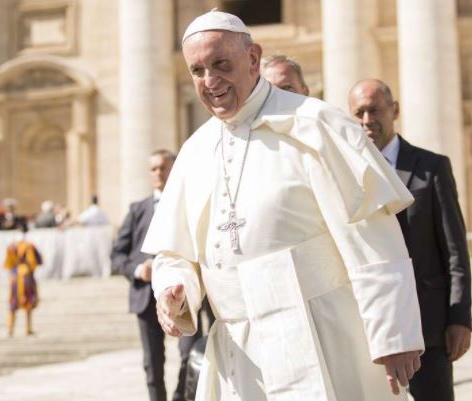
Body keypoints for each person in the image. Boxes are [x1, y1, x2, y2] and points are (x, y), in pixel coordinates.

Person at [142, 10, 424, 401]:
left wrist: (394, 333)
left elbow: (371, 233)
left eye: (221, 64)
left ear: (253, 58)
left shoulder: (318, 124)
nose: (210, 81)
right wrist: (175, 289)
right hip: (240, 352)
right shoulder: (194, 150)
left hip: (324, 332)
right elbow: (175, 252)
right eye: (198, 70)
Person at [349, 78, 471, 401]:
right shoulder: (347, 176)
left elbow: (455, 251)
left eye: (374, 110)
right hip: (371, 333)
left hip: (428, 331)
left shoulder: (431, 168)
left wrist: (460, 319)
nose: (366, 120)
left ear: (395, 110)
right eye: (358, 113)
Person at [112, 149, 212, 401]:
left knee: (190, 353)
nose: (158, 173)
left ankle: (180, 397)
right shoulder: (137, 210)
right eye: (154, 169)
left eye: (163, 167)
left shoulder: (191, 204)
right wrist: (138, 269)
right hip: (146, 298)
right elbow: (118, 255)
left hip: (185, 296)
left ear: (173, 168)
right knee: (152, 361)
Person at [4, 222, 42, 337]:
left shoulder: (11, 246)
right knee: (28, 301)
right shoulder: (29, 245)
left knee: (13, 303)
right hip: (26, 275)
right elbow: (35, 261)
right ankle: (28, 328)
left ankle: (10, 329)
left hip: (15, 276)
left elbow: (8, 264)